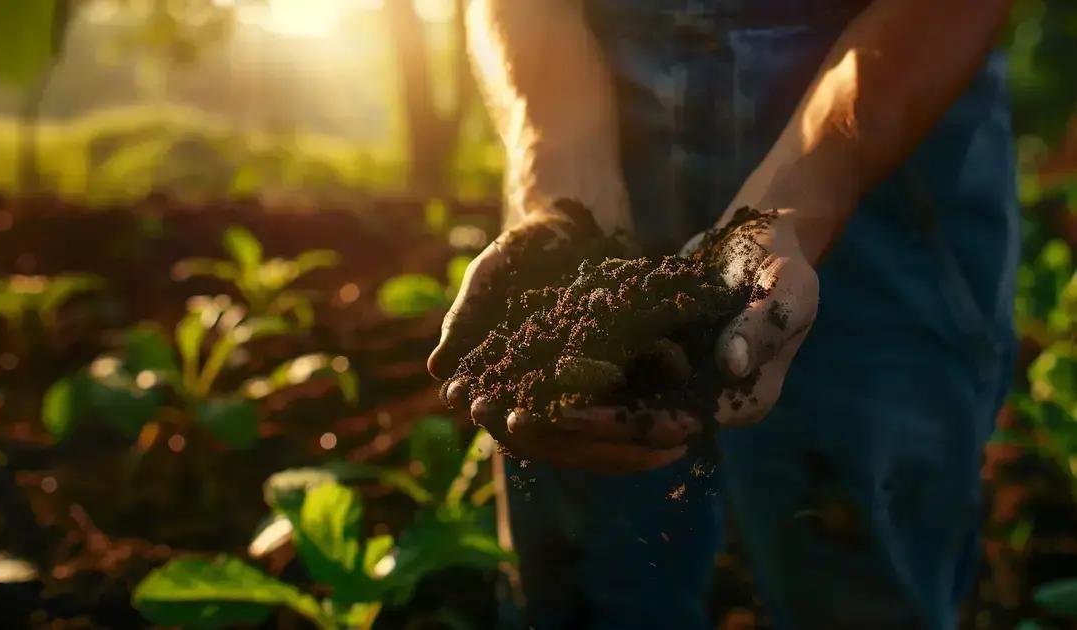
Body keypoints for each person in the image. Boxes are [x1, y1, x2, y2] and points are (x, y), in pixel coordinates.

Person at [428, 0, 1018, 627]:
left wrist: (807, 192)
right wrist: (559, 184)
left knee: (857, 569)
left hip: (886, 107)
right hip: (595, 82)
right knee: (589, 586)